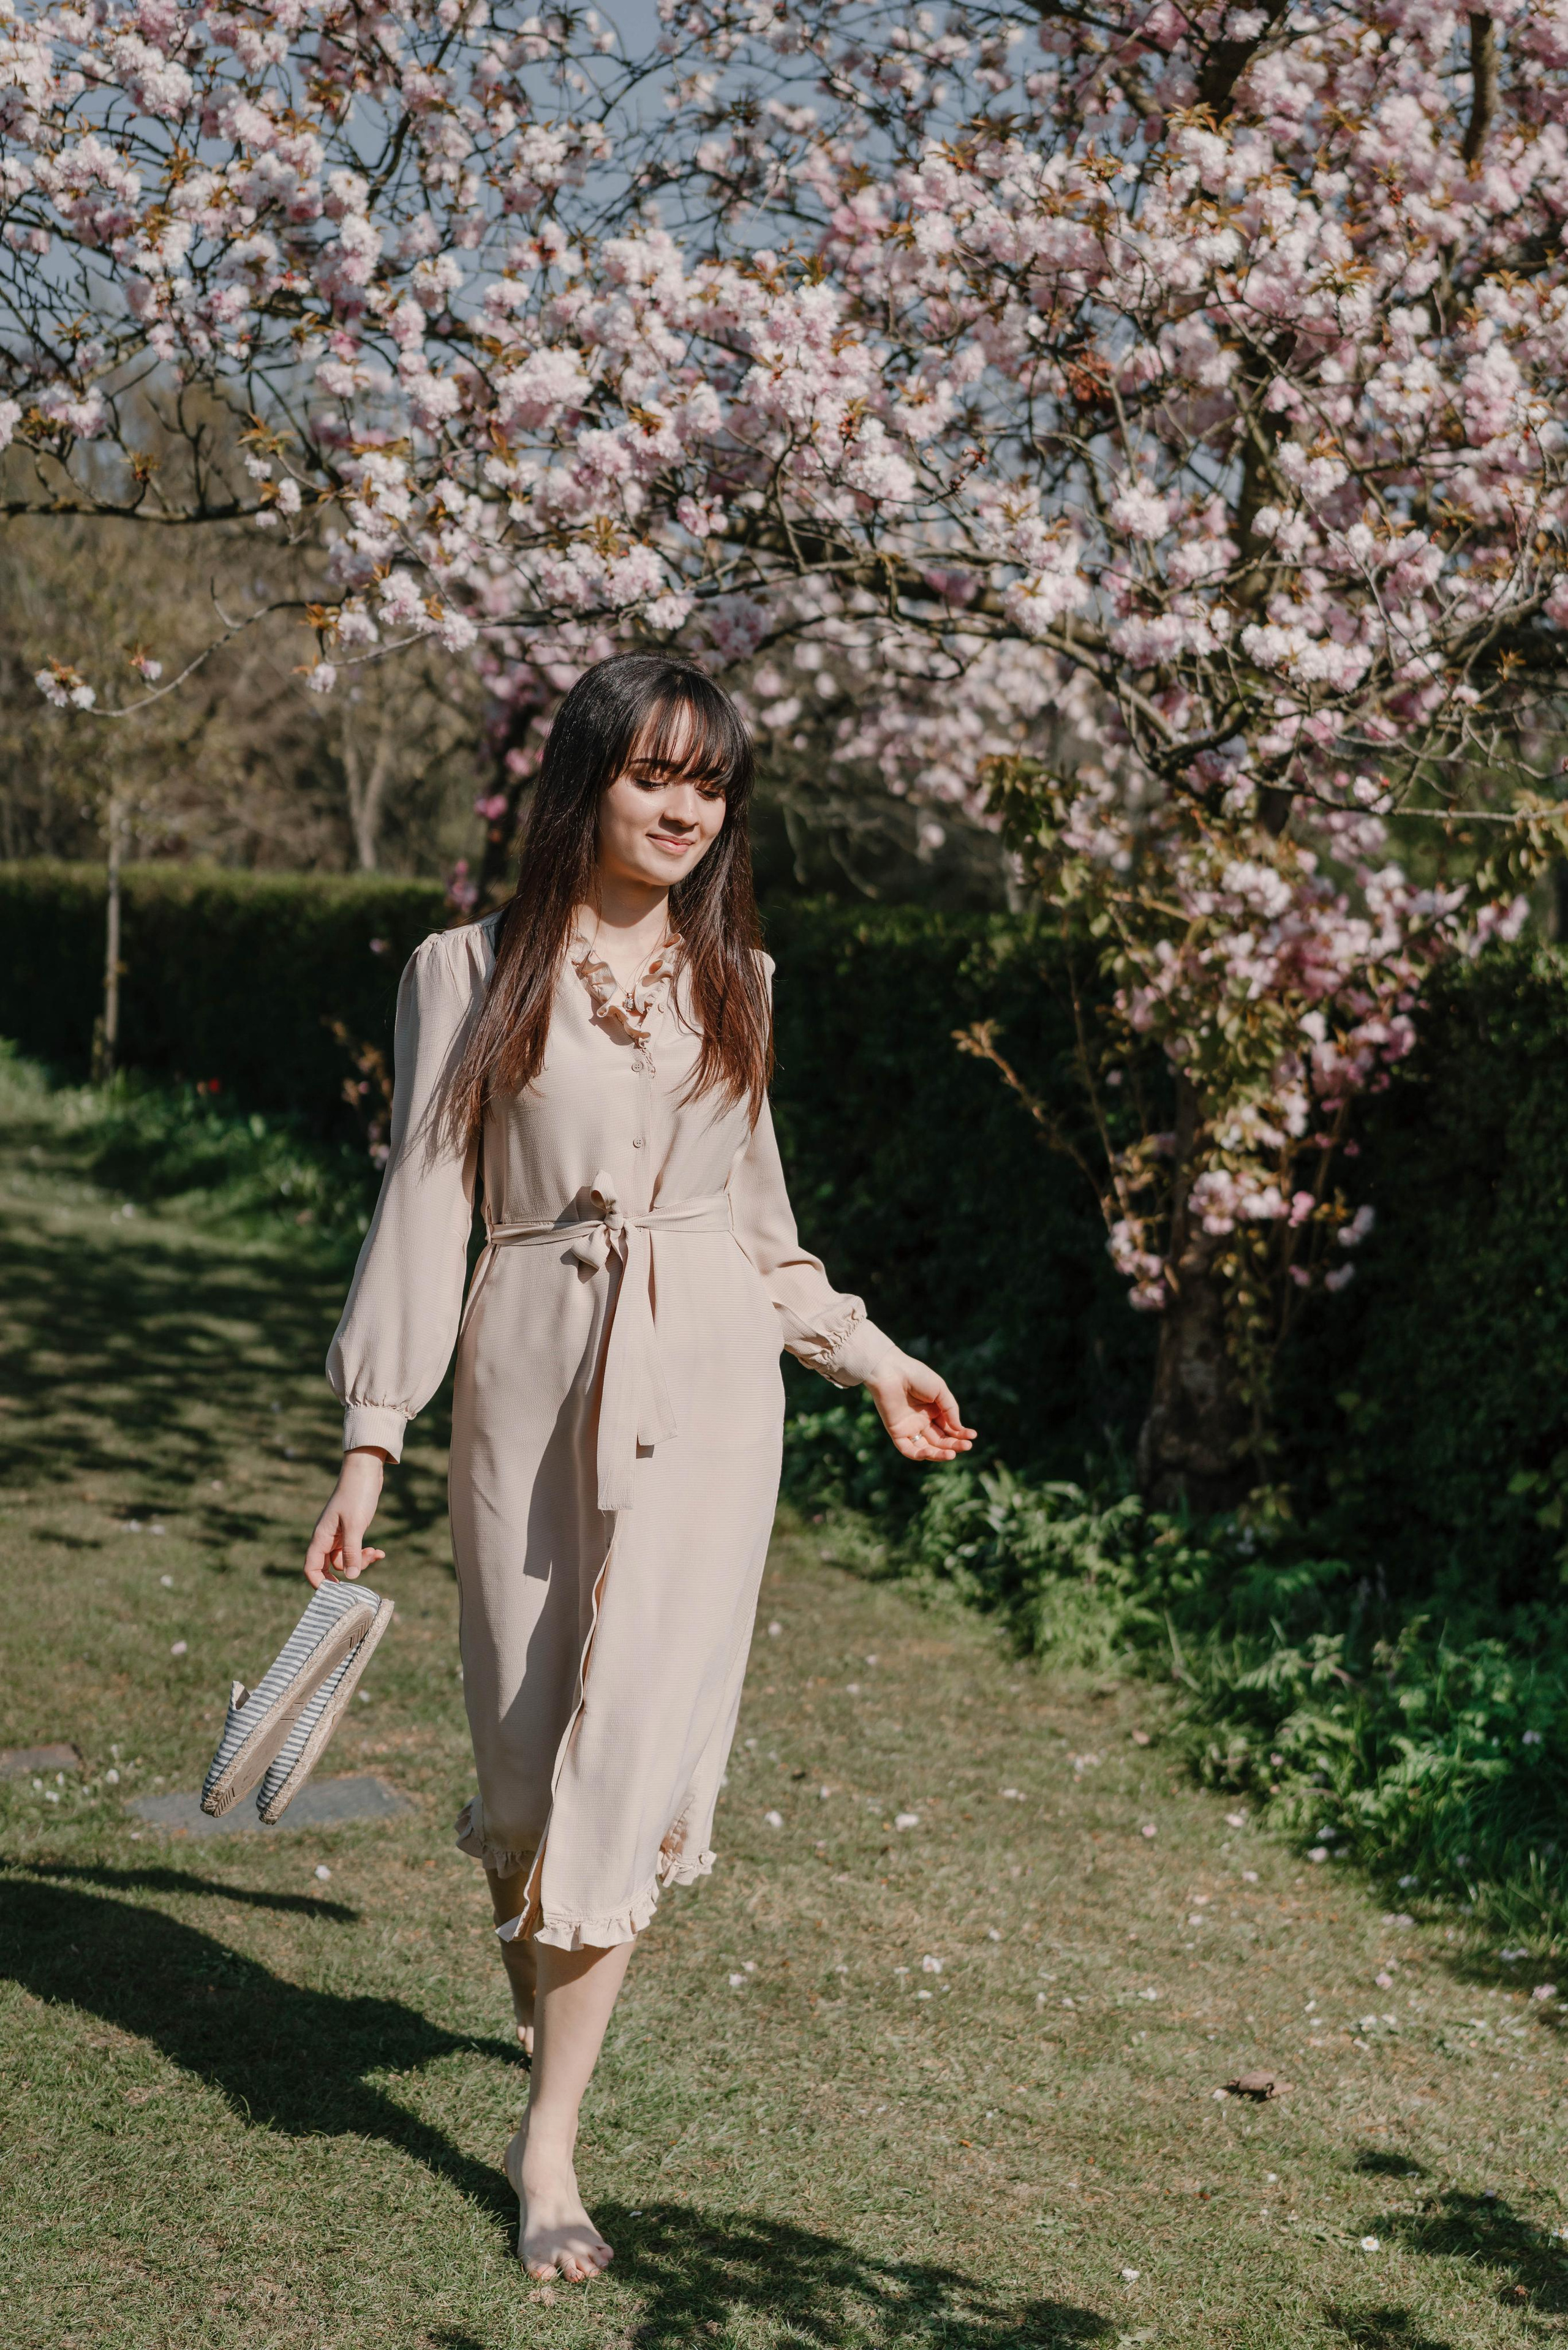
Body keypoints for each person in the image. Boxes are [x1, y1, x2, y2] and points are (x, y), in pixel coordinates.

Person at [302, 652, 973, 2283]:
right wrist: (373, 1437)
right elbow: (425, 1206)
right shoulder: (466, 968)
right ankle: (552, 2006)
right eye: (651, 775)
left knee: (613, 1779)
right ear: (588, 780)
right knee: (528, 1780)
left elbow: (765, 1237)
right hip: (528, 1379)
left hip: (709, 1396)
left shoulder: (738, 975)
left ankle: (550, 2151)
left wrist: (874, 1360)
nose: (682, 809)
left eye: (710, 785)